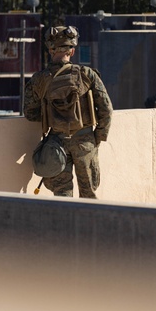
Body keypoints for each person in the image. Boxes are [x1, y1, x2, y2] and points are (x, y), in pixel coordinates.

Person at [24, 25, 113, 197]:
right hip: (85, 141)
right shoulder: (87, 74)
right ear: (72, 51)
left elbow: (30, 113)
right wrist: (97, 137)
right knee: (89, 196)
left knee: (62, 197)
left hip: (56, 143)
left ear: (50, 50)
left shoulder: (39, 80)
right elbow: (106, 109)